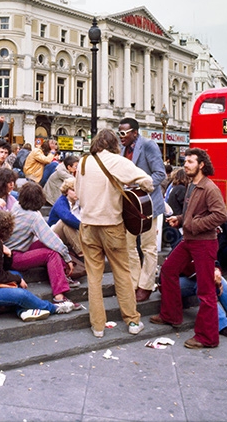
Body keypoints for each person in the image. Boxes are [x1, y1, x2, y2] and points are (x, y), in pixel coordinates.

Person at [76, 129, 153, 339]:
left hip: (88, 226)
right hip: (112, 225)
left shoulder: (83, 162)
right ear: (113, 144)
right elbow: (147, 181)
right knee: (122, 273)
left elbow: (79, 194)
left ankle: (98, 326)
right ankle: (133, 320)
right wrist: (133, 187)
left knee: (94, 277)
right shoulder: (117, 161)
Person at [150, 148, 227, 349]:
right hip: (190, 240)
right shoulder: (192, 186)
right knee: (168, 270)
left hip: (204, 243)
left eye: (190, 162)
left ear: (201, 165)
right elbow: (194, 214)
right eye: (185, 161)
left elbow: (221, 216)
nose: (185, 164)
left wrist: (192, 224)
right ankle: (171, 315)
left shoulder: (209, 188)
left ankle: (207, 337)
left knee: (206, 291)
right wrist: (181, 219)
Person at [5, 182, 79, 307]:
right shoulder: (34, 216)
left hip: (13, 250)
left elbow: (50, 237)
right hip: (14, 257)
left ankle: (61, 275)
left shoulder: (17, 205)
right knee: (51, 253)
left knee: (54, 239)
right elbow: (49, 238)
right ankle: (59, 297)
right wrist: (67, 257)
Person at [118, 117, 166, 302]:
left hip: (148, 204)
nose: (121, 136)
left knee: (148, 247)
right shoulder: (122, 150)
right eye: (119, 132)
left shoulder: (148, 145)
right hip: (130, 204)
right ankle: (134, 281)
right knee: (129, 245)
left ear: (134, 133)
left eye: (124, 133)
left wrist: (141, 187)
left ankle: (146, 285)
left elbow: (160, 174)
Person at [179, 264, 227, 341]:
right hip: (175, 281)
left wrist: (216, 270)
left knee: (218, 278)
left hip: (196, 275)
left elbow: (213, 260)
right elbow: (187, 267)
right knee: (203, 282)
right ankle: (222, 324)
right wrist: (208, 272)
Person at [48, 177, 83, 258]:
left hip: (74, 233)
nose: (76, 193)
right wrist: (84, 227)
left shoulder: (79, 202)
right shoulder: (61, 202)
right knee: (64, 222)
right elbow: (66, 217)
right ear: (66, 191)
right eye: (73, 190)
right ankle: (80, 250)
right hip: (55, 235)